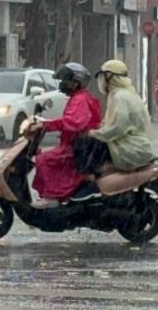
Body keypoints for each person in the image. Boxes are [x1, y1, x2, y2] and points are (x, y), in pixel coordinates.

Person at [29, 63, 102, 209]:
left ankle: (52, 197)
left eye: (66, 81)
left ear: (76, 82)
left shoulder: (81, 99)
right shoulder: (78, 97)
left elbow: (73, 122)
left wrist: (46, 125)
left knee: (44, 159)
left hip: (76, 146)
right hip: (75, 143)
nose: (62, 84)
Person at [74, 60, 154, 185]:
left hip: (130, 148)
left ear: (109, 78)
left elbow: (118, 127)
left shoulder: (120, 96)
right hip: (136, 145)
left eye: (102, 77)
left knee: (83, 143)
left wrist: (92, 133)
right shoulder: (127, 93)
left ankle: (89, 183)